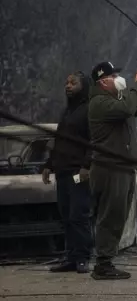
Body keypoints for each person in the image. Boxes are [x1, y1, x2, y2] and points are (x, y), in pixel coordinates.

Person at [88, 61, 137, 280]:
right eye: (113, 75)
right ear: (103, 82)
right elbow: (128, 107)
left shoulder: (118, 101)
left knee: (119, 215)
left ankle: (106, 260)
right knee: (110, 216)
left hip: (123, 167)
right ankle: (103, 264)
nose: (118, 78)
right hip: (110, 168)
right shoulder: (99, 103)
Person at [42, 71, 93, 274]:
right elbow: (59, 142)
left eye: (73, 83)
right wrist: (48, 165)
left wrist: (86, 166)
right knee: (66, 216)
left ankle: (82, 257)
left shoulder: (88, 110)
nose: (68, 86)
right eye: (67, 83)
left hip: (77, 173)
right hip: (62, 173)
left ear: (84, 86)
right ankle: (71, 257)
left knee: (78, 215)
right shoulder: (67, 112)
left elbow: (93, 142)